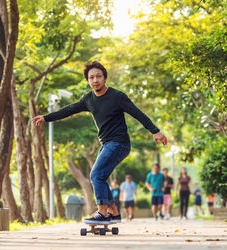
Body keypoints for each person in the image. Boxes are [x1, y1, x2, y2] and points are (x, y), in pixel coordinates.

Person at [32, 61, 167, 225]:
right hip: (107, 144)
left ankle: (102, 212)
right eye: (91, 77)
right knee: (100, 176)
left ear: (104, 78)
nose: (95, 80)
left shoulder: (117, 96)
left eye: (98, 76)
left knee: (96, 175)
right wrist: (46, 117)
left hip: (119, 143)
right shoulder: (88, 99)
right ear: (88, 81)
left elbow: (137, 113)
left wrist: (155, 131)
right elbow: (69, 109)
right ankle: (114, 213)